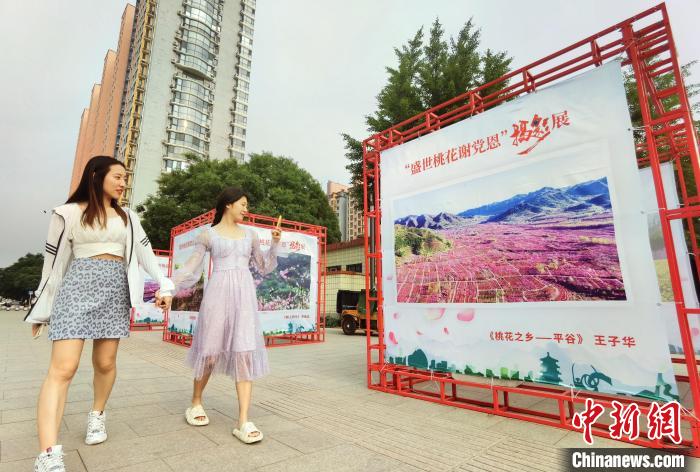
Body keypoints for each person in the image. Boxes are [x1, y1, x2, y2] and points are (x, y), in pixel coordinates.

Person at [26, 156, 174, 472]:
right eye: (118, 176)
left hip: (115, 291)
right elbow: (51, 265)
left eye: (125, 178)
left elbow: (147, 257)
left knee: (105, 363)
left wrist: (165, 286)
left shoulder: (129, 218)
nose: (123, 183)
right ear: (96, 175)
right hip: (76, 291)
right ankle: (48, 453)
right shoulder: (66, 213)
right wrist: (41, 307)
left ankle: (97, 415)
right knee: (62, 370)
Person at [172, 187, 280, 444]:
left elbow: (264, 267)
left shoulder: (250, 235)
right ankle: (195, 403)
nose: (246, 208)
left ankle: (243, 420)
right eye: (243, 204)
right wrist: (169, 288)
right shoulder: (207, 235)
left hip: (244, 297)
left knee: (244, 353)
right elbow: (191, 268)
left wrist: (274, 242)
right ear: (228, 204)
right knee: (209, 353)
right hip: (217, 296)